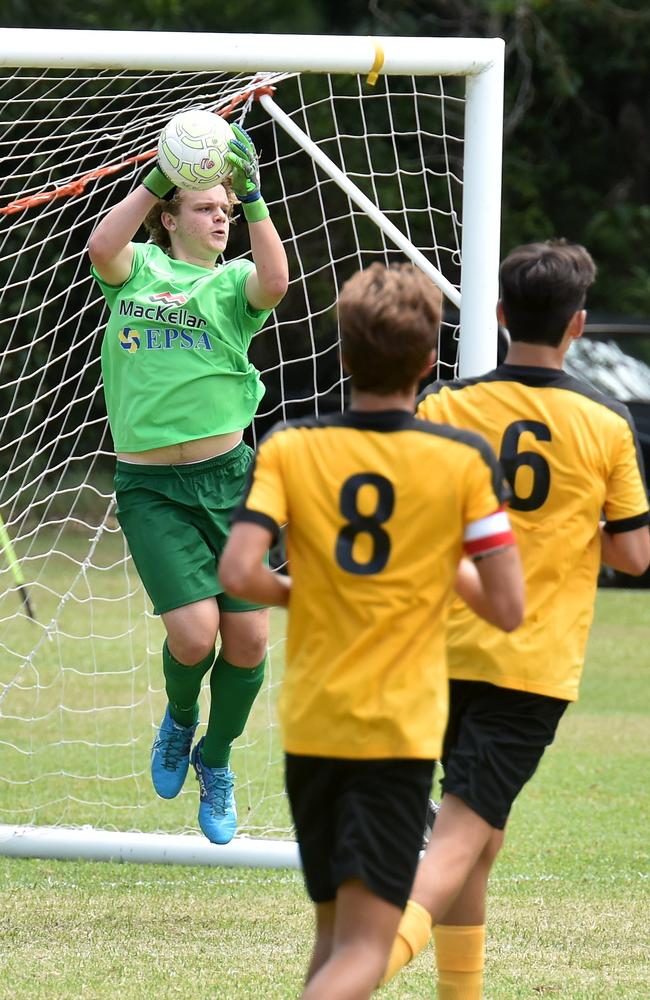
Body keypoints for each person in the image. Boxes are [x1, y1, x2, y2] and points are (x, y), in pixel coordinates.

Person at [218, 262, 524, 1000]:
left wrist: (309, 594)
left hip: (314, 722)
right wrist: (431, 567)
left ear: (345, 355)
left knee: (332, 936)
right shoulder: (459, 460)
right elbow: (508, 608)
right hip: (394, 729)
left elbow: (238, 572)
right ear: (429, 363)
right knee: (364, 947)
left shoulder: (291, 446)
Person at [381, 239, 650, 998]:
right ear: (580, 326)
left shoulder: (447, 404)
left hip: (439, 649)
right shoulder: (606, 421)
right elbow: (634, 555)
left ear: (499, 317)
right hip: (528, 659)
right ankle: (367, 964)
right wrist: (567, 529)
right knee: (463, 831)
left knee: (481, 837)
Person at [87, 122, 289, 844]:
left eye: (224, 212)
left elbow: (275, 281)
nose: (217, 217)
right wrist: (157, 178)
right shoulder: (137, 268)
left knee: (249, 643)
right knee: (196, 635)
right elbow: (101, 249)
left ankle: (217, 757)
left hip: (231, 483)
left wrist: (254, 195)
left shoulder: (234, 283)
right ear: (171, 216)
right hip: (152, 492)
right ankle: (179, 720)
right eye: (204, 207)